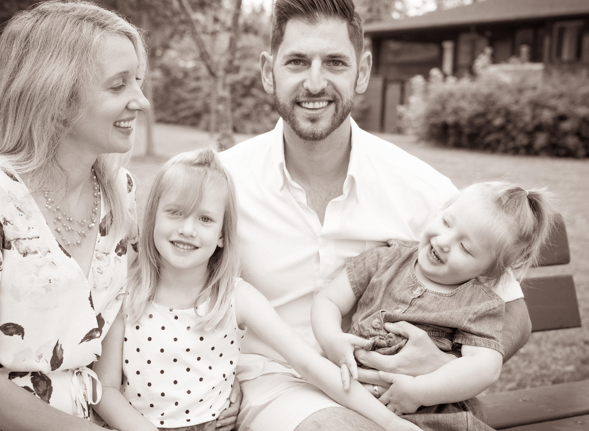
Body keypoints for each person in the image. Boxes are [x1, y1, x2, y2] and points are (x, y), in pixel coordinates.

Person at [217, 0, 534, 429]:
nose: (315, 82)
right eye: (296, 62)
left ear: (361, 72)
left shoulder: (424, 191)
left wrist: (440, 364)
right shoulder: (224, 183)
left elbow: (514, 316)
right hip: (275, 384)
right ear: (267, 70)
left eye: (334, 62)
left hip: (393, 392)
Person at [0, 2, 150, 430]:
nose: (142, 101)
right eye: (118, 86)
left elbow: (103, 379)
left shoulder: (120, 192)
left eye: (139, 81)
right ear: (55, 97)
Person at [92, 148, 423, 431]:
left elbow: (309, 364)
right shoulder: (126, 295)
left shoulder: (234, 297)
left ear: (222, 235)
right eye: (175, 212)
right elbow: (106, 387)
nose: (188, 229)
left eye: (205, 219)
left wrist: (391, 423)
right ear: (153, 219)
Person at [312, 182, 556, 430]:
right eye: (447, 222)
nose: (444, 241)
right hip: (347, 394)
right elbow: (329, 300)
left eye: (465, 247)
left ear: (490, 270)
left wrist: (418, 392)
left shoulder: (479, 305)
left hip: (427, 414)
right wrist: (332, 339)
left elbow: (485, 368)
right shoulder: (385, 260)